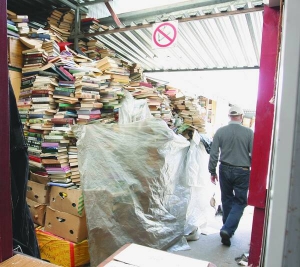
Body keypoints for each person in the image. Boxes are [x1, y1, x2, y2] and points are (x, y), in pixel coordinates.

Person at [208, 106, 254, 247]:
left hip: (224, 168)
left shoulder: (221, 132)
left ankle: (226, 230)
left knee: (226, 199)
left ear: (229, 116)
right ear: (241, 116)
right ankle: (227, 229)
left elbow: (214, 153)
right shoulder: (249, 132)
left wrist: (212, 171)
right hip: (242, 170)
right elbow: (253, 154)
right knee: (240, 202)